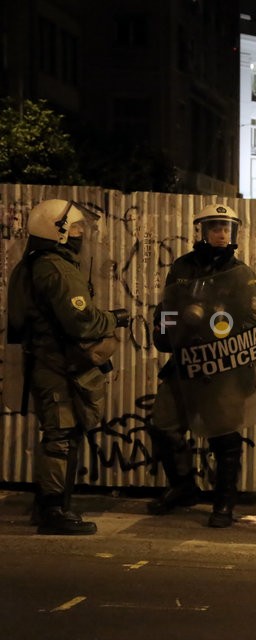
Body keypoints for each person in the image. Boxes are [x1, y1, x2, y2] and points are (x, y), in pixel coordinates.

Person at [6, 199, 130, 535]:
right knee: (61, 436)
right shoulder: (56, 267)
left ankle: (52, 504)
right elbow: (82, 321)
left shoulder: (32, 265)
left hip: (46, 360)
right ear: (57, 232)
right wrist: (114, 318)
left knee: (62, 433)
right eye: (75, 228)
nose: (79, 234)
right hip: (56, 363)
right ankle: (53, 511)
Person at [147, 204, 256, 528]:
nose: (221, 233)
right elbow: (169, 307)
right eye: (215, 227)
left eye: (226, 228)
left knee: (224, 436)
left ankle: (224, 503)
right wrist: (167, 326)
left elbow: (252, 321)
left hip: (224, 366)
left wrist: (246, 365)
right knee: (163, 424)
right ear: (202, 231)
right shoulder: (183, 268)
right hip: (186, 361)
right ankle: (183, 486)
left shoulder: (242, 275)